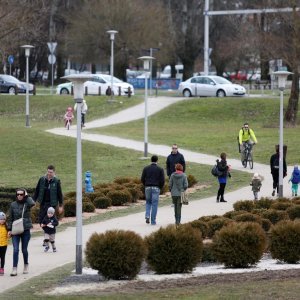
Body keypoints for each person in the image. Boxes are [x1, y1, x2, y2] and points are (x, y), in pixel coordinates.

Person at [7, 188, 35, 276]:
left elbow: (32, 203)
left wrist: (27, 196)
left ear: (24, 195)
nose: (19, 196)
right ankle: (14, 268)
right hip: (15, 230)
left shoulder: (27, 203)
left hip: (25, 229)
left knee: (24, 250)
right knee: (15, 249)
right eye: (18, 194)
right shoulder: (13, 205)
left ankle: (26, 265)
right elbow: (10, 218)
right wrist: (9, 229)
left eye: (21, 194)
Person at [33, 165, 63, 245]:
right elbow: (37, 190)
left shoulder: (56, 181)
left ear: (54, 172)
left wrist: (61, 205)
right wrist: (33, 201)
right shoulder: (42, 179)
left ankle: (47, 238)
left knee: (50, 221)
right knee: (41, 220)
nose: (49, 173)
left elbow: (60, 194)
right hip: (43, 203)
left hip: (52, 204)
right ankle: (47, 236)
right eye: (48, 172)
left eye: (51, 172)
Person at [141, 155, 165, 225]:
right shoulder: (160, 169)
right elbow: (162, 180)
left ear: (151, 160)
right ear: (157, 161)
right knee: (154, 204)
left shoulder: (146, 168)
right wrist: (160, 187)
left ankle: (147, 215)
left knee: (148, 202)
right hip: (156, 188)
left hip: (147, 187)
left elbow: (142, 179)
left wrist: (146, 185)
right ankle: (153, 221)